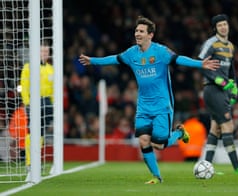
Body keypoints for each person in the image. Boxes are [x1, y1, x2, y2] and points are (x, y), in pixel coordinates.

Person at [79, 16, 220, 184]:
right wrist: (92, 60)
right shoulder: (132, 53)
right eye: (136, 31)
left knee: (159, 144)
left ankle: (179, 133)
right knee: (143, 140)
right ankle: (157, 177)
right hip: (144, 106)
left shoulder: (161, 51)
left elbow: (179, 59)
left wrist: (200, 64)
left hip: (162, 104)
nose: (137, 33)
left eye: (141, 31)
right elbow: (114, 59)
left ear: (150, 35)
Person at [197, 14, 238, 174]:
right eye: (220, 25)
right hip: (212, 89)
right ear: (215, 28)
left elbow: (230, 70)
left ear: (228, 26)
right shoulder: (211, 43)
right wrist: (220, 81)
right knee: (227, 125)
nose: (223, 27)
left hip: (223, 91)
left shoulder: (230, 46)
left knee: (215, 128)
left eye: (225, 24)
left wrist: (234, 85)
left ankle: (206, 167)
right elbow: (201, 64)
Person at [20, 41, 54, 167]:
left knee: (41, 132)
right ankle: (29, 161)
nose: (45, 54)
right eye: (42, 51)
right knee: (32, 131)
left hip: (47, 102)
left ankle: (37, 158)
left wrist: (53, 104)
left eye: (47, 51)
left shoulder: (51, 69)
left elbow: (53, 89)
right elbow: (24, 86)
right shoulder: (28, 67)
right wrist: (27, 103)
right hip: (34, 101)